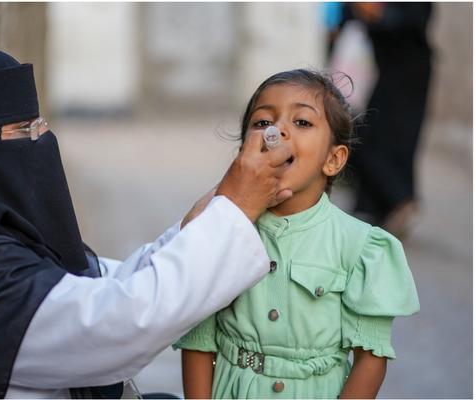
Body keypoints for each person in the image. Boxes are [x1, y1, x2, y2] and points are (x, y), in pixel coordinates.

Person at [0, 46, 295, 398]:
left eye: (41, 125)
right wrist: (234, 212)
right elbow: (122, 321)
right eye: (24, 131)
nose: (40, 140)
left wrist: (214, 212)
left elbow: (104, 283)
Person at [174, 69, 420, 399]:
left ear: (333, 159)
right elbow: (199, 339)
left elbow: (370, 358)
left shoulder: (361, 246)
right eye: (262, 122)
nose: (277, 131)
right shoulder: (222, 229)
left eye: (302, 122)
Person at [344, 3, 433, 236]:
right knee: (367, 134)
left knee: (391, 139)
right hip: (381, 67)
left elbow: (413, 21)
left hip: (407, 70)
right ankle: (380, 206)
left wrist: (377, 13)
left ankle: (400, 199)